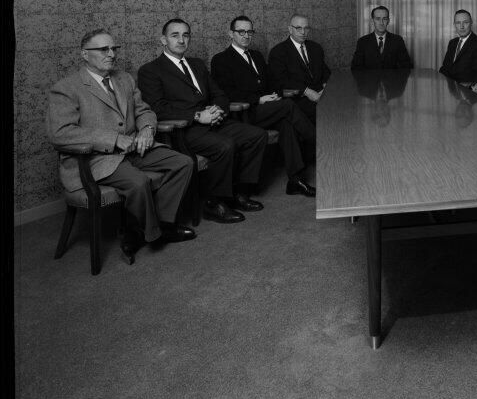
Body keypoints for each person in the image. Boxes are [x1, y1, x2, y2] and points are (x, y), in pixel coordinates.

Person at [46, 29, 195, 260]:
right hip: (97, 159)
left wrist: (147, 129)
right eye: (103, 49)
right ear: (85, 54)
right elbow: (60, 133)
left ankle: (161, 223)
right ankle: (151, 233)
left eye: (113, 48)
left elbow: (144, 111)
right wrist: (114, 139)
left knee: (184, 162)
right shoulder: (66, 87)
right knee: (138, 182)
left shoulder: (124, 79)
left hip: (135, 148)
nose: (111, 54)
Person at [137, 19, 268, 224]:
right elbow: (158, 108)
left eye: (186, 35)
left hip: (214, 121)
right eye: (175, 35)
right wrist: (198, 116)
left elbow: (220, 94)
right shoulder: (150, 70)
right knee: (225, 146)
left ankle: (239, 193)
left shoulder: (197, 64)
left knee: (257, 135)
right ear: (163, 40)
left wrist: (217, 110)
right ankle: (214, 203)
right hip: (184, 129)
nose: (181, 40)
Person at [210, 16, 316, 197]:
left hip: (267, 110)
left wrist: (274, 95)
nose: (246, 36)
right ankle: (318, 142)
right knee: (288, 106)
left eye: (249, 31)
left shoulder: (257, 56)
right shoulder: (221, 59)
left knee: (286, 124)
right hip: (244, 113)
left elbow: (271, 82)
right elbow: (226, 93)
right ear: (231, 34)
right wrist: (259, 100)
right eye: (241, 32)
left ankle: (295, 180)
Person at [267, 14, 331, 126]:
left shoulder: (316, 48)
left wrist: (326, 87)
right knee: (324, 113)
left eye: (306, 28)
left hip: (321, 94)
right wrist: (307, 92)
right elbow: (281, 81)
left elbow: (325, 72)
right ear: (290, 29)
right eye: (298, 28)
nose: (303, 32)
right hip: (298, 98)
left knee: (342, 105)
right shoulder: (278, 52)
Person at [351, 5, 412, 70]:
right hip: (370, 77)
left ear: (388, 21)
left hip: (392, 77)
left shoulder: (398, 40)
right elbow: (356, 68)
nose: (381, 23)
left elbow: (406, 66)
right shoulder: (362, 42)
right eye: (378, 19)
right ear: (372, 21)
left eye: (384, 19)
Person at [439, 9, 477, 84]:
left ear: (471, 23)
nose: (461, 26)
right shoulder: (452, 43)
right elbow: (445, 68)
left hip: (466, 89)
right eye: (458, 23)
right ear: (454, 25)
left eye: (465, 22)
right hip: (450, 86)